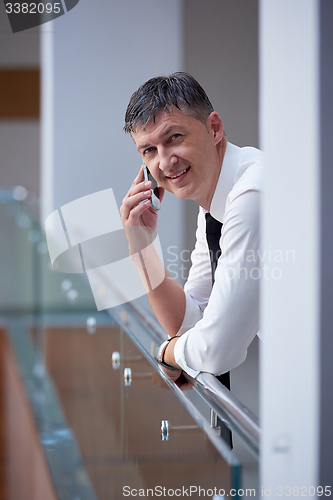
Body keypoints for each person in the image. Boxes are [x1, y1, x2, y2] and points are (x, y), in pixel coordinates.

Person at [120, 72, 262, 386]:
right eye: (149, 151)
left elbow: (216, 350)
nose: (165, 161)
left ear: (214, 128)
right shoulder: (215, 203)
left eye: (174, 138)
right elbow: (192, 323)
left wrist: (167, 353)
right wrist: (141, 249)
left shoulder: (252, 196)